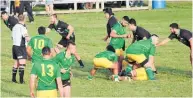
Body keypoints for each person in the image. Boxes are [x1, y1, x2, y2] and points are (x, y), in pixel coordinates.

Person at [11, 14, 30, 84]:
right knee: (22, 64)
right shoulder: (22, 27)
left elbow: (12, 37)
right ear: (24, 19)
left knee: (16, 63)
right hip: (20, 47)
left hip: (14, 46)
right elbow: (27, 38)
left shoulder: (14, 27)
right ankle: (21, 81)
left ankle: (13, 79)